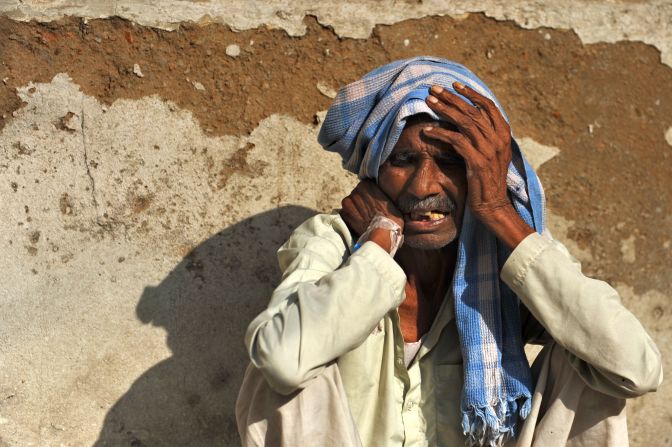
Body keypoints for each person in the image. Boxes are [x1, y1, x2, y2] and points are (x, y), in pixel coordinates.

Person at [236, 57, 662, 447]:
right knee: (283, 359)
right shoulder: (337, 241)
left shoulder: (499, 260)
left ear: (486, 172)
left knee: (589, 361)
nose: (424, 187)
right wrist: (380, 241)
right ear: (375, 172)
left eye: (451, 161)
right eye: (403, 159)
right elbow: (279, 359)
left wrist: (498, 213)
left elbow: (635, 368)